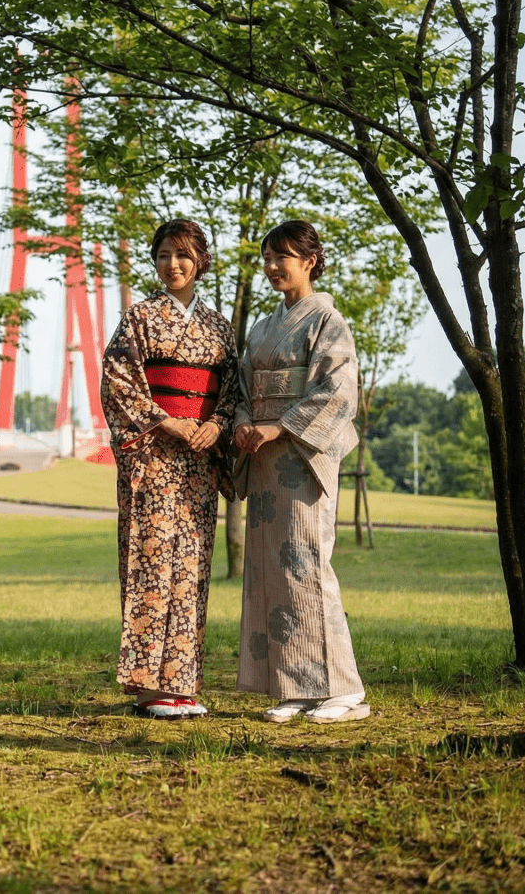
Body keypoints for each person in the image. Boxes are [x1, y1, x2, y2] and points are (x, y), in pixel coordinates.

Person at [101, 219, 240, 719]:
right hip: (154, 457)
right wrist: (167, 422)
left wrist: (217, 424)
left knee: (193, 569)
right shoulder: (138, 318)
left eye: (182, 255)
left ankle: (182, 684)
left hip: (199, 462)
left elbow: (231, 393)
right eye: (163, 255)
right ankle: (146, 686)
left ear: (200, 259)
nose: (172, 265)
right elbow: (117, 384)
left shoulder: (219, 328)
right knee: (151, 564)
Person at [232, 220, 369, 724]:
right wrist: (247, 424)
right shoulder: (263, 327)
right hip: (265, 458)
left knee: (307, 566)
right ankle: (297, 685)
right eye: (267, 258)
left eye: (282, 257)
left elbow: (338, 393)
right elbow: (244, 390)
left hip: (303, 458)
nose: (271, 267)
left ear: (309, 260)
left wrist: (278, 427)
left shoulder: (327, 322)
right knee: (271, 571)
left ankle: (344, 690)